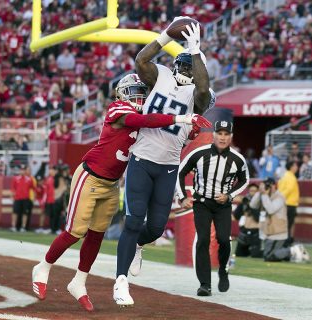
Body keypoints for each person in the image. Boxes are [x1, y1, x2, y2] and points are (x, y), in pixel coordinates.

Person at [31, 73, 210, 311]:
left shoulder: (147, 115)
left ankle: (79, 282)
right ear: (122, 93)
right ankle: (43, 266)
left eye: (141, 92)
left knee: (96, 235)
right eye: (133, 91)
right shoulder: (118, 109)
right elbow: (146, 121)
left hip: (113, 183)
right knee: (76, 231)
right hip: (90, 176)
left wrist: (189, 128)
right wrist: (182, 117)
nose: (138, 96)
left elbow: (164, 138)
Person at [113, 17, 211, 306]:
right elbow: (141, 60)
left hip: (168, 167)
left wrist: (195, 51)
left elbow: (204, 91)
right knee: (132, 220)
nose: (183, 69)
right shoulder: (162, 76)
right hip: (142, 159)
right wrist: (166, 35)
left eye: (189, 65)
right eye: (181, 63)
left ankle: (140, 246)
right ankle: (120, 281)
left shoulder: (199, 94)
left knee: (155, 228)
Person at [177, 120, 249, 296]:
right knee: (203, 240)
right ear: (214, 135)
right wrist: (182, 197)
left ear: (231, 137)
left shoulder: (237, 159)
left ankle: (223, 270)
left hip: (223, 205)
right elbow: (181, 171)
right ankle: (205, 284)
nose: (223, 137)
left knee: (224, 240)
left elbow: (245, 180)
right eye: (220, 133)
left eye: (226, 134)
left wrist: (229, 195)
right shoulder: (199, 153)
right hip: (202, 203)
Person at [249, 178, 310, 263]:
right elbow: (252, 205)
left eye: (268, 186)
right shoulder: (264, 196)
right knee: (269, 255)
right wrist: (260, 192)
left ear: (274, 186)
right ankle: (292, 254)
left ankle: (293, 250)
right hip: (269, 231)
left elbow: (270, 209)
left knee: (268, 256)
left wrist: (264, 195)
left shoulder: (280, 197)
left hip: (278, 232)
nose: (266, 188)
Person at [233, 183, 262, 258]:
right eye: (251, 191)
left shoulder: (261, 202)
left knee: (255, 255)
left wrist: (251, 206)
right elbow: (236, 216)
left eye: (255, 191)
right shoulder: (245, 201)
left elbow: (257, 218)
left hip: (256, 232)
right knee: (239, 254)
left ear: (258, 192)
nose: (252, 193)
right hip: (245, 231)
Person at [278, 161, 300, 245]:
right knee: (288, 224)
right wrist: (282, 198)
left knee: (285, 223)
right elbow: (289, 189)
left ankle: (283, 241)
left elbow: (280, 188)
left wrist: (279, 199)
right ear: (291, 167)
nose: (297, 167)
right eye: (295, 165)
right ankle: (285, 242)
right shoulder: (291, 177)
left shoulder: (284, 176)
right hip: (290, 203)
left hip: (285, 203)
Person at [10, 164, 34, 232]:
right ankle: (13, 226)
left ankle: (23, 227)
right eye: (21, 170)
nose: (22, 171)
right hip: (17, 198)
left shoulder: (29, 179)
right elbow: (13, 188)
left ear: (25, 171)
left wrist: (33, 198)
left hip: (26, 199)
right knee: (15, 212)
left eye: (23, 170)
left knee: (25, 213)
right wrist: (12, 196)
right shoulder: (15, 178)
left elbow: (32, 189)